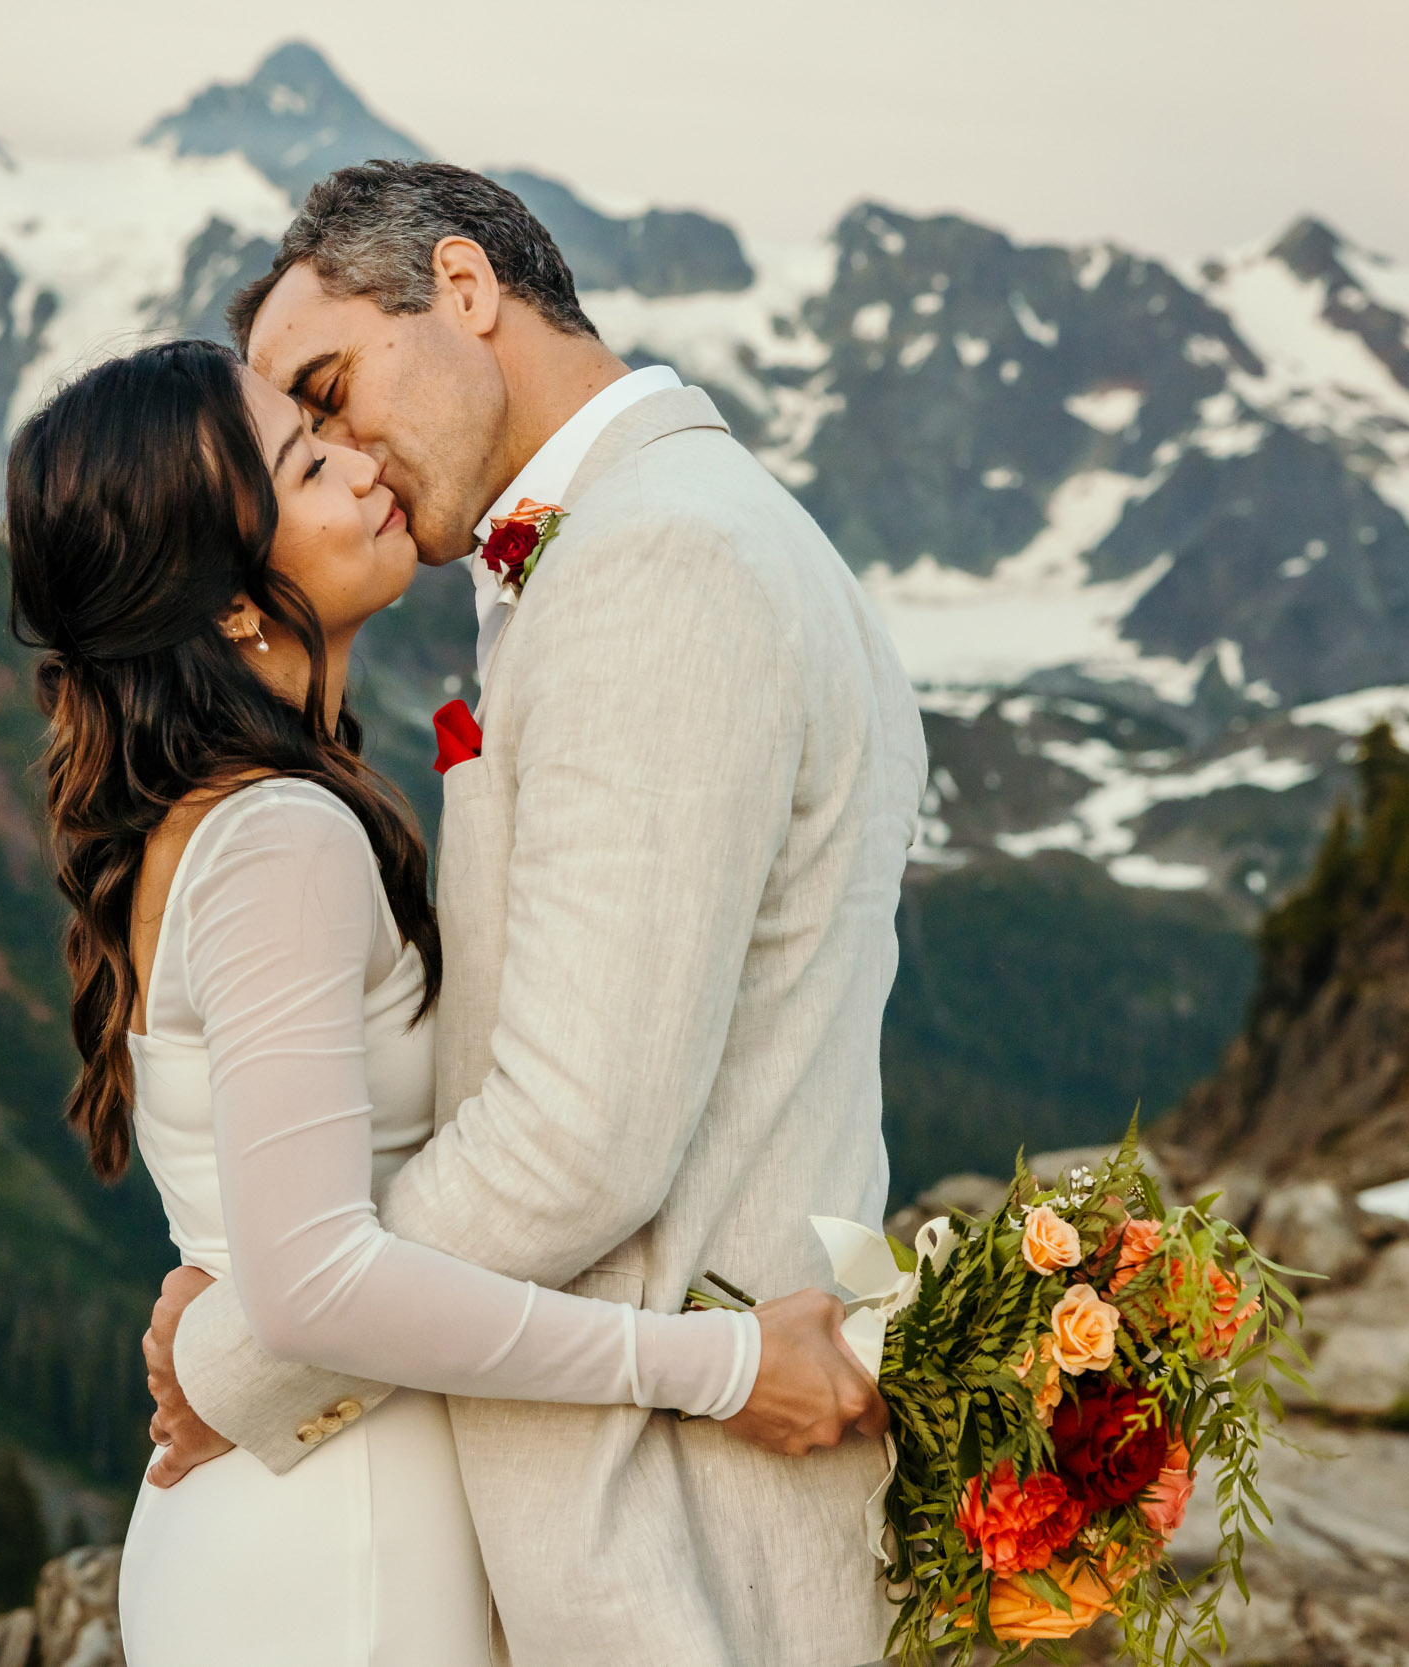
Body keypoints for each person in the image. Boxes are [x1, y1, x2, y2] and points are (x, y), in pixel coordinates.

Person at [126, 163, 927, 1667]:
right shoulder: (679, 533)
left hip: (677, 1537)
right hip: (634, 1502)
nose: (340, 453)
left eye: (329, 386)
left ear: (468, 291)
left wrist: (251, 1339)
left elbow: (575, 1137)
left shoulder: (659, 562)